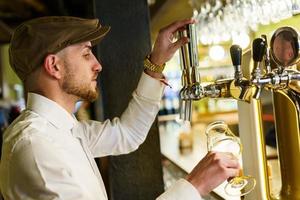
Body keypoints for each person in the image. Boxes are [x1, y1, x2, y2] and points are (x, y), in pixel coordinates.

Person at [0, 16, 240, 200]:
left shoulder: (61, 130)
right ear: (54, 66)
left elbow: (127, 134)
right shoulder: (37, 145)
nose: (97, 65)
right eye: (86, 54)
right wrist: (194, 185)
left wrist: (155, 64)